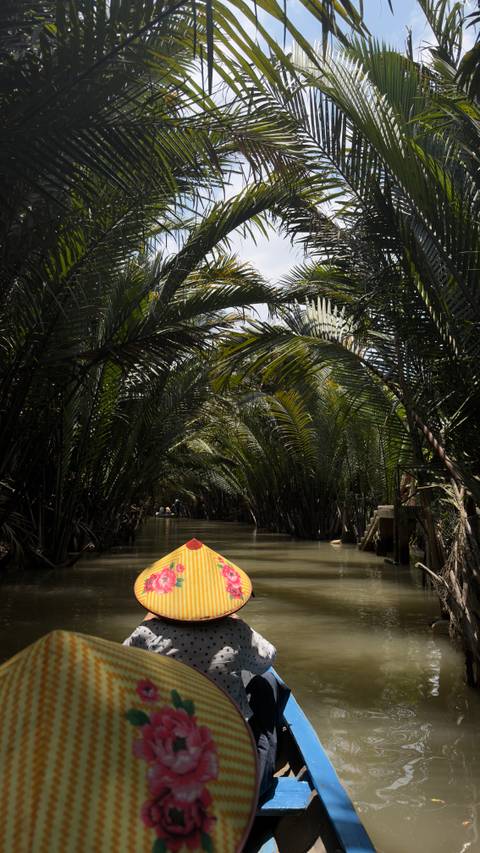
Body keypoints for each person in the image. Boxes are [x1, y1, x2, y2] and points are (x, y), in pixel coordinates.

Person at [123, 537, 288, 796]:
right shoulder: (236, 631)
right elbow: (268, 659)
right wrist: (236, 619)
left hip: (172, 760)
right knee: (266, 683)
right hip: (231, 765)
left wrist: (147, 621)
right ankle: (261, 771)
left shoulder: (147, 633)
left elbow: (121, 665)